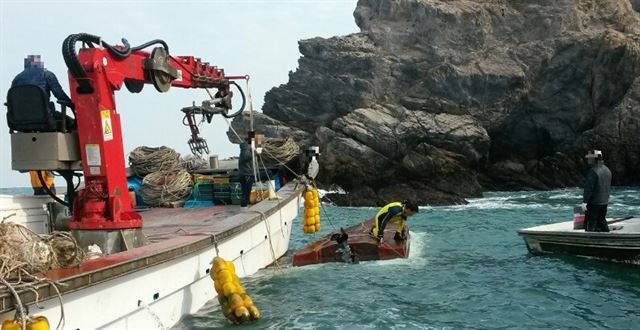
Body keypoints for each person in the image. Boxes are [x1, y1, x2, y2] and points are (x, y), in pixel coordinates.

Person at [11, 54, 75, 128]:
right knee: (71, 123)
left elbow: (12, 100)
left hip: (20, 120)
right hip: (44, 118)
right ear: (40, 64)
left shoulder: (17, 78)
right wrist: (72, 104)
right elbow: (59, 95)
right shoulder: (47, 75)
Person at [582, 150, 612, 232]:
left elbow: (589, 188)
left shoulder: (593, 171)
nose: (588, 159)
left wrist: (585, 202)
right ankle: (607, 237)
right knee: (602, 220)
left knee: (590, 222)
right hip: (604, 201)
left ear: (594, 158)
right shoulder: (607, 170)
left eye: (589, 158)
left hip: (594, 202)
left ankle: (590, 240)